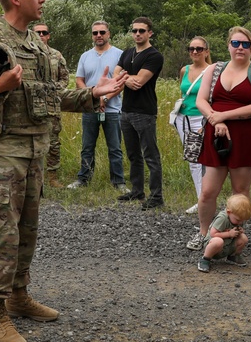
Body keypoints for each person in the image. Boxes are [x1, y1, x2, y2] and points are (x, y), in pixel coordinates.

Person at [0, 0, 125, 342]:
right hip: (0, 152)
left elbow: (52, 95)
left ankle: (18, 296)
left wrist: (94, 93)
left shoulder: (38, 46)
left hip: (34, 151)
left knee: (26, 230)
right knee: (0, 235)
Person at [187, 27, 251, 251]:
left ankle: (234, 236)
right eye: (235, 43)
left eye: (245, 44)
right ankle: (204, 233)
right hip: (216, 135)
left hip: (245, 137)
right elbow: (201, 101)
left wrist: (222, 115)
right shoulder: (215, 69)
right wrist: (218, 122)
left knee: (240, 193)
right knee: (207, 192)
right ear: (228, 46)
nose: (240, 48)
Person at [69, 20, 126, 191]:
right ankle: (83, 179)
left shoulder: (119, 55)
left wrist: (105, 98)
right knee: (87, 146)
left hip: (113, 109)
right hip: (90, 109)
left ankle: (119, 182)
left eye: (102, 32)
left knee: (115, 148)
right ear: (92, 36)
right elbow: (79, 80)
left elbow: (122, 81)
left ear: (109, 34)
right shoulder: (85, 56)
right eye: (95, 33)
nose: (99, 36)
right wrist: (92, 97)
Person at [115, 16, 165, 210]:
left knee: (150, 155)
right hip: (126, 110)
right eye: (134, 30)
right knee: (133, 154)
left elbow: (140, 82)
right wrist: (126, 78)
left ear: (149, 33)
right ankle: (137, 190)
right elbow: (115, 74)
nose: (137, 34)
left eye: (141, 31)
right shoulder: (128, 53)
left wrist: (123, 77)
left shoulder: (154, 56)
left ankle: (156, 195)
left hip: (144, 111)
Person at [175, 36, 211, 214]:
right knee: (193, 159)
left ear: (206, 51)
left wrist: (207, 121)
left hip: (201, 118)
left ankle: (205, 200)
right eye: (191, 49)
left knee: (204, 160)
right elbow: (183, 92)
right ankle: (201, 199)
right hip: (183, 118)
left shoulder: (212, 70)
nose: (195, 52)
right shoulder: (185, 70)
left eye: (199, 49)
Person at [33, 22, 69, 187]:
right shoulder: (25, 54)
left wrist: (54, 90)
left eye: (44, 32)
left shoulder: (56, 55)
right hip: (31, 105)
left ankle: (53, 176)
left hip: (51, 105)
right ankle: (33, 177)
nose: (40, 35)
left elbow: (65, 78)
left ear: (48, 36)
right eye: (37, 32)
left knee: (53, 142)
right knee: (31, 141)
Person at [196, 193, 251, 273]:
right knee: (218, 241)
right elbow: (213, 234)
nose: (240, 222)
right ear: (229, 212)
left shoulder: (237, 217)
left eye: (243, 220)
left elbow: (237, 228)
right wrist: (229, 234)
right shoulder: (222, 219)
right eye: (238, 220)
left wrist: (240, 231)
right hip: (214, 246)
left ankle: (233, 256)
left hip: (227, 245)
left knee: (243, 238)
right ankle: (205, 259)